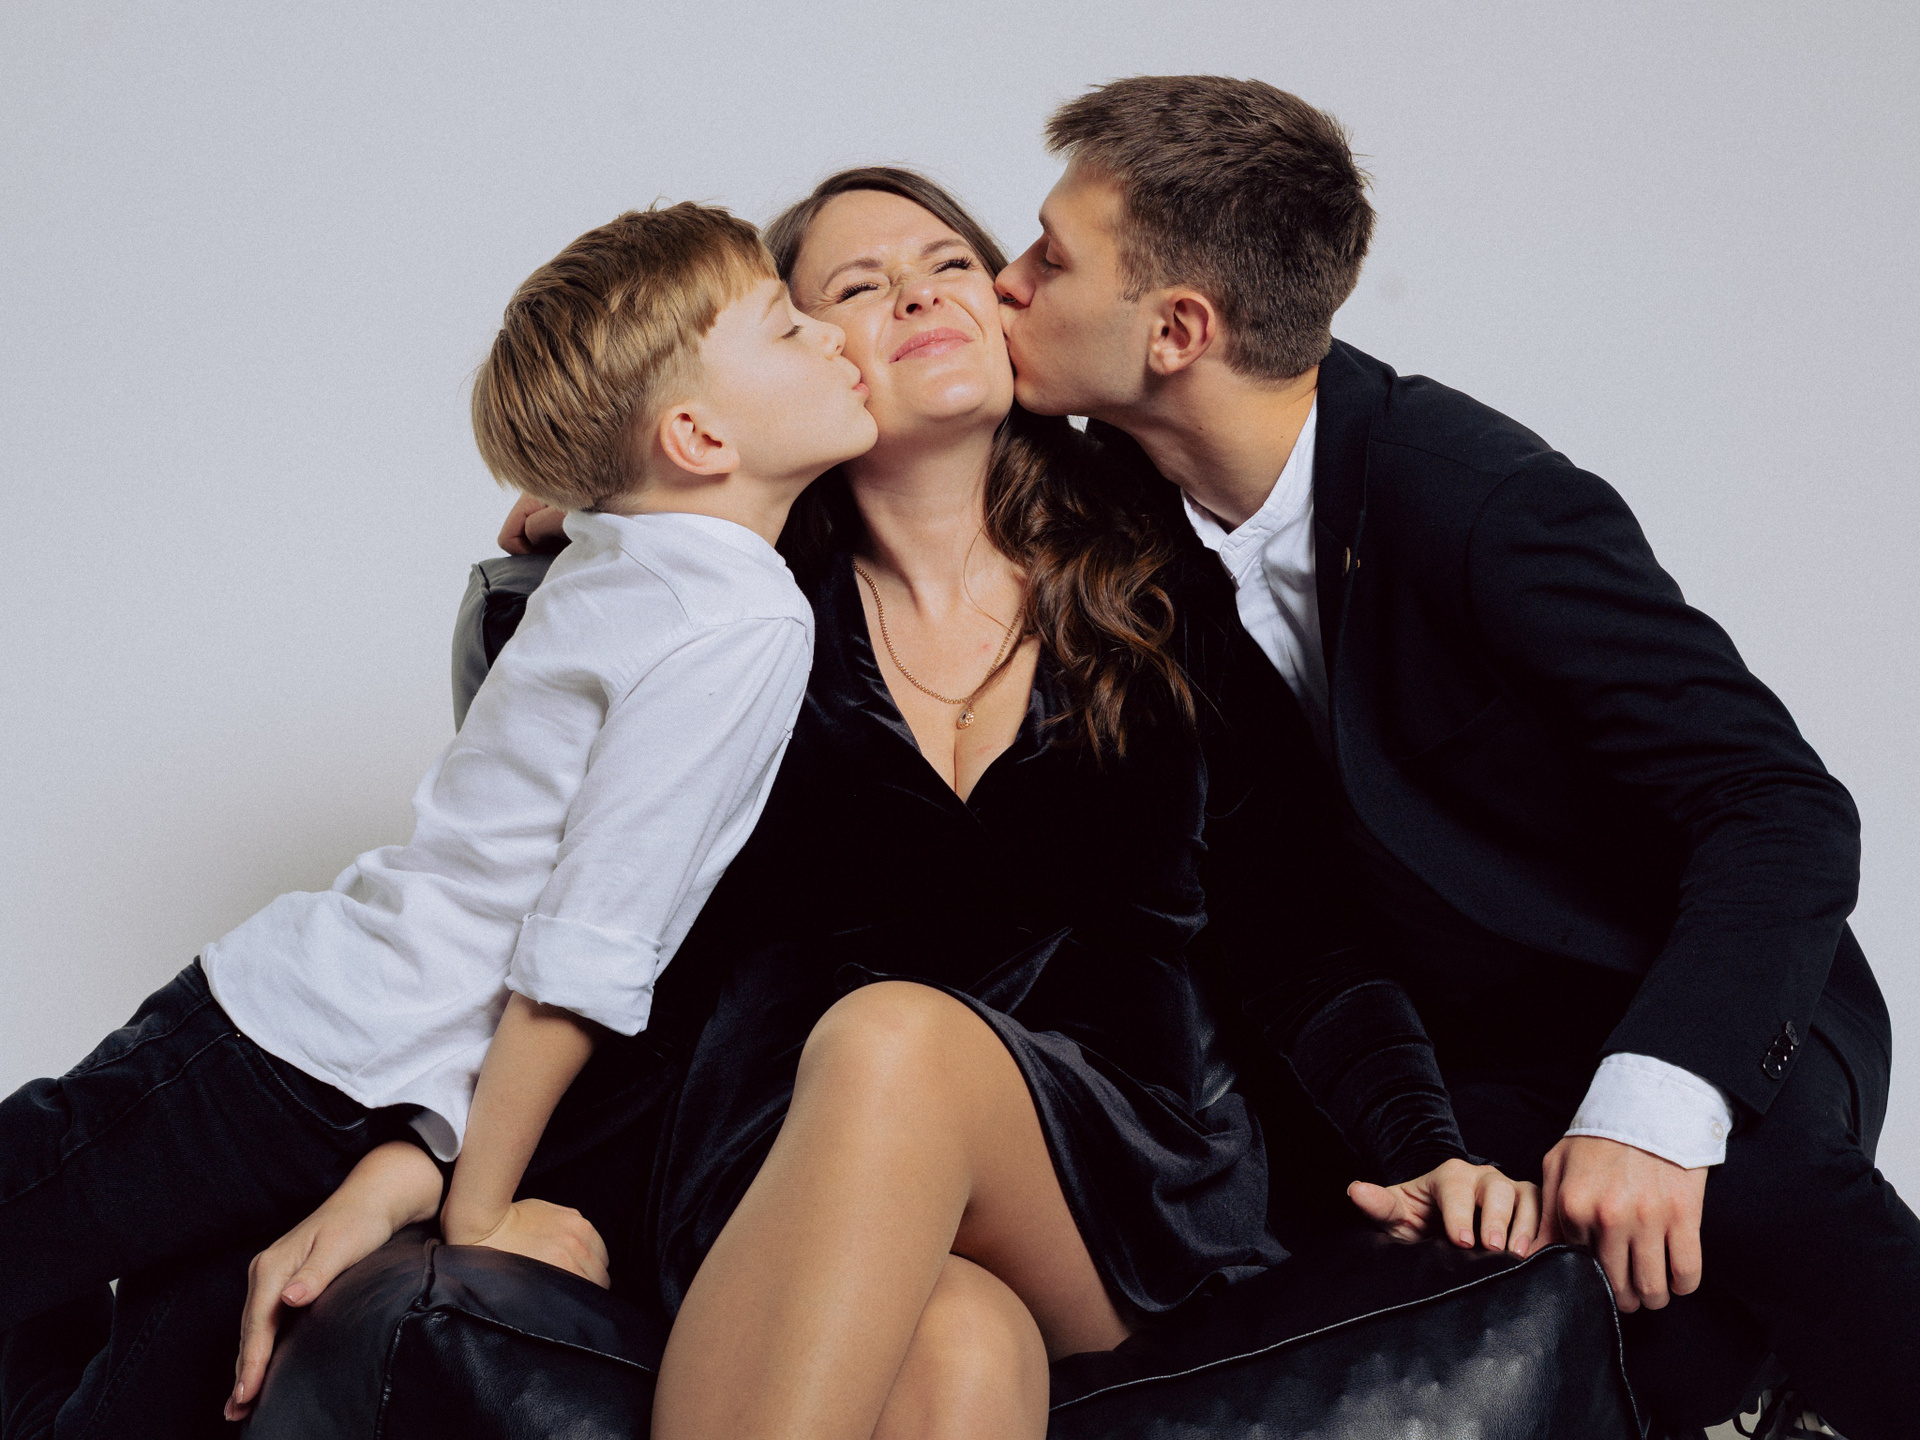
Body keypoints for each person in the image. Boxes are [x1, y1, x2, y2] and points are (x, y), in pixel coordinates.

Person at [478, 167, 1531, 1440]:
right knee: (959, 1350)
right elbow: (565, 915)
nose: (920, 293)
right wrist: (622, 511)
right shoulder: (724, 619)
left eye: (950, 264)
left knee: (895, 1040)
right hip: (781, 1160)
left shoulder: (1153, 581)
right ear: (803, 360)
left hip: (1110, 1175)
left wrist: (1422, 1143)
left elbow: (1297, 931)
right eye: (858, 287)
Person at [992, 73, 1919, 1438]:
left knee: (1750, 1190)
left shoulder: (1480, 502)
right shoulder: (1117, 506)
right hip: (1441, 1057)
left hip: (1684, 998)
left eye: (1048, 257)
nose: (1007, 284)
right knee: (1344, 1274)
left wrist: (1653, 1105)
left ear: (1178, 329)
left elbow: (1778, 806)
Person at [0, 200, 877, 1438]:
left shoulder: (644, 557)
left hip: (350, 1081)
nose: (835, 335)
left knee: (131, 1414)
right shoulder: (734, 618)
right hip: (284, 1048)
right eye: (790, 327)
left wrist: (579, 492)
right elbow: (583, 956)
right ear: (694, 435)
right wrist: (485, 1210)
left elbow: (603, 515)